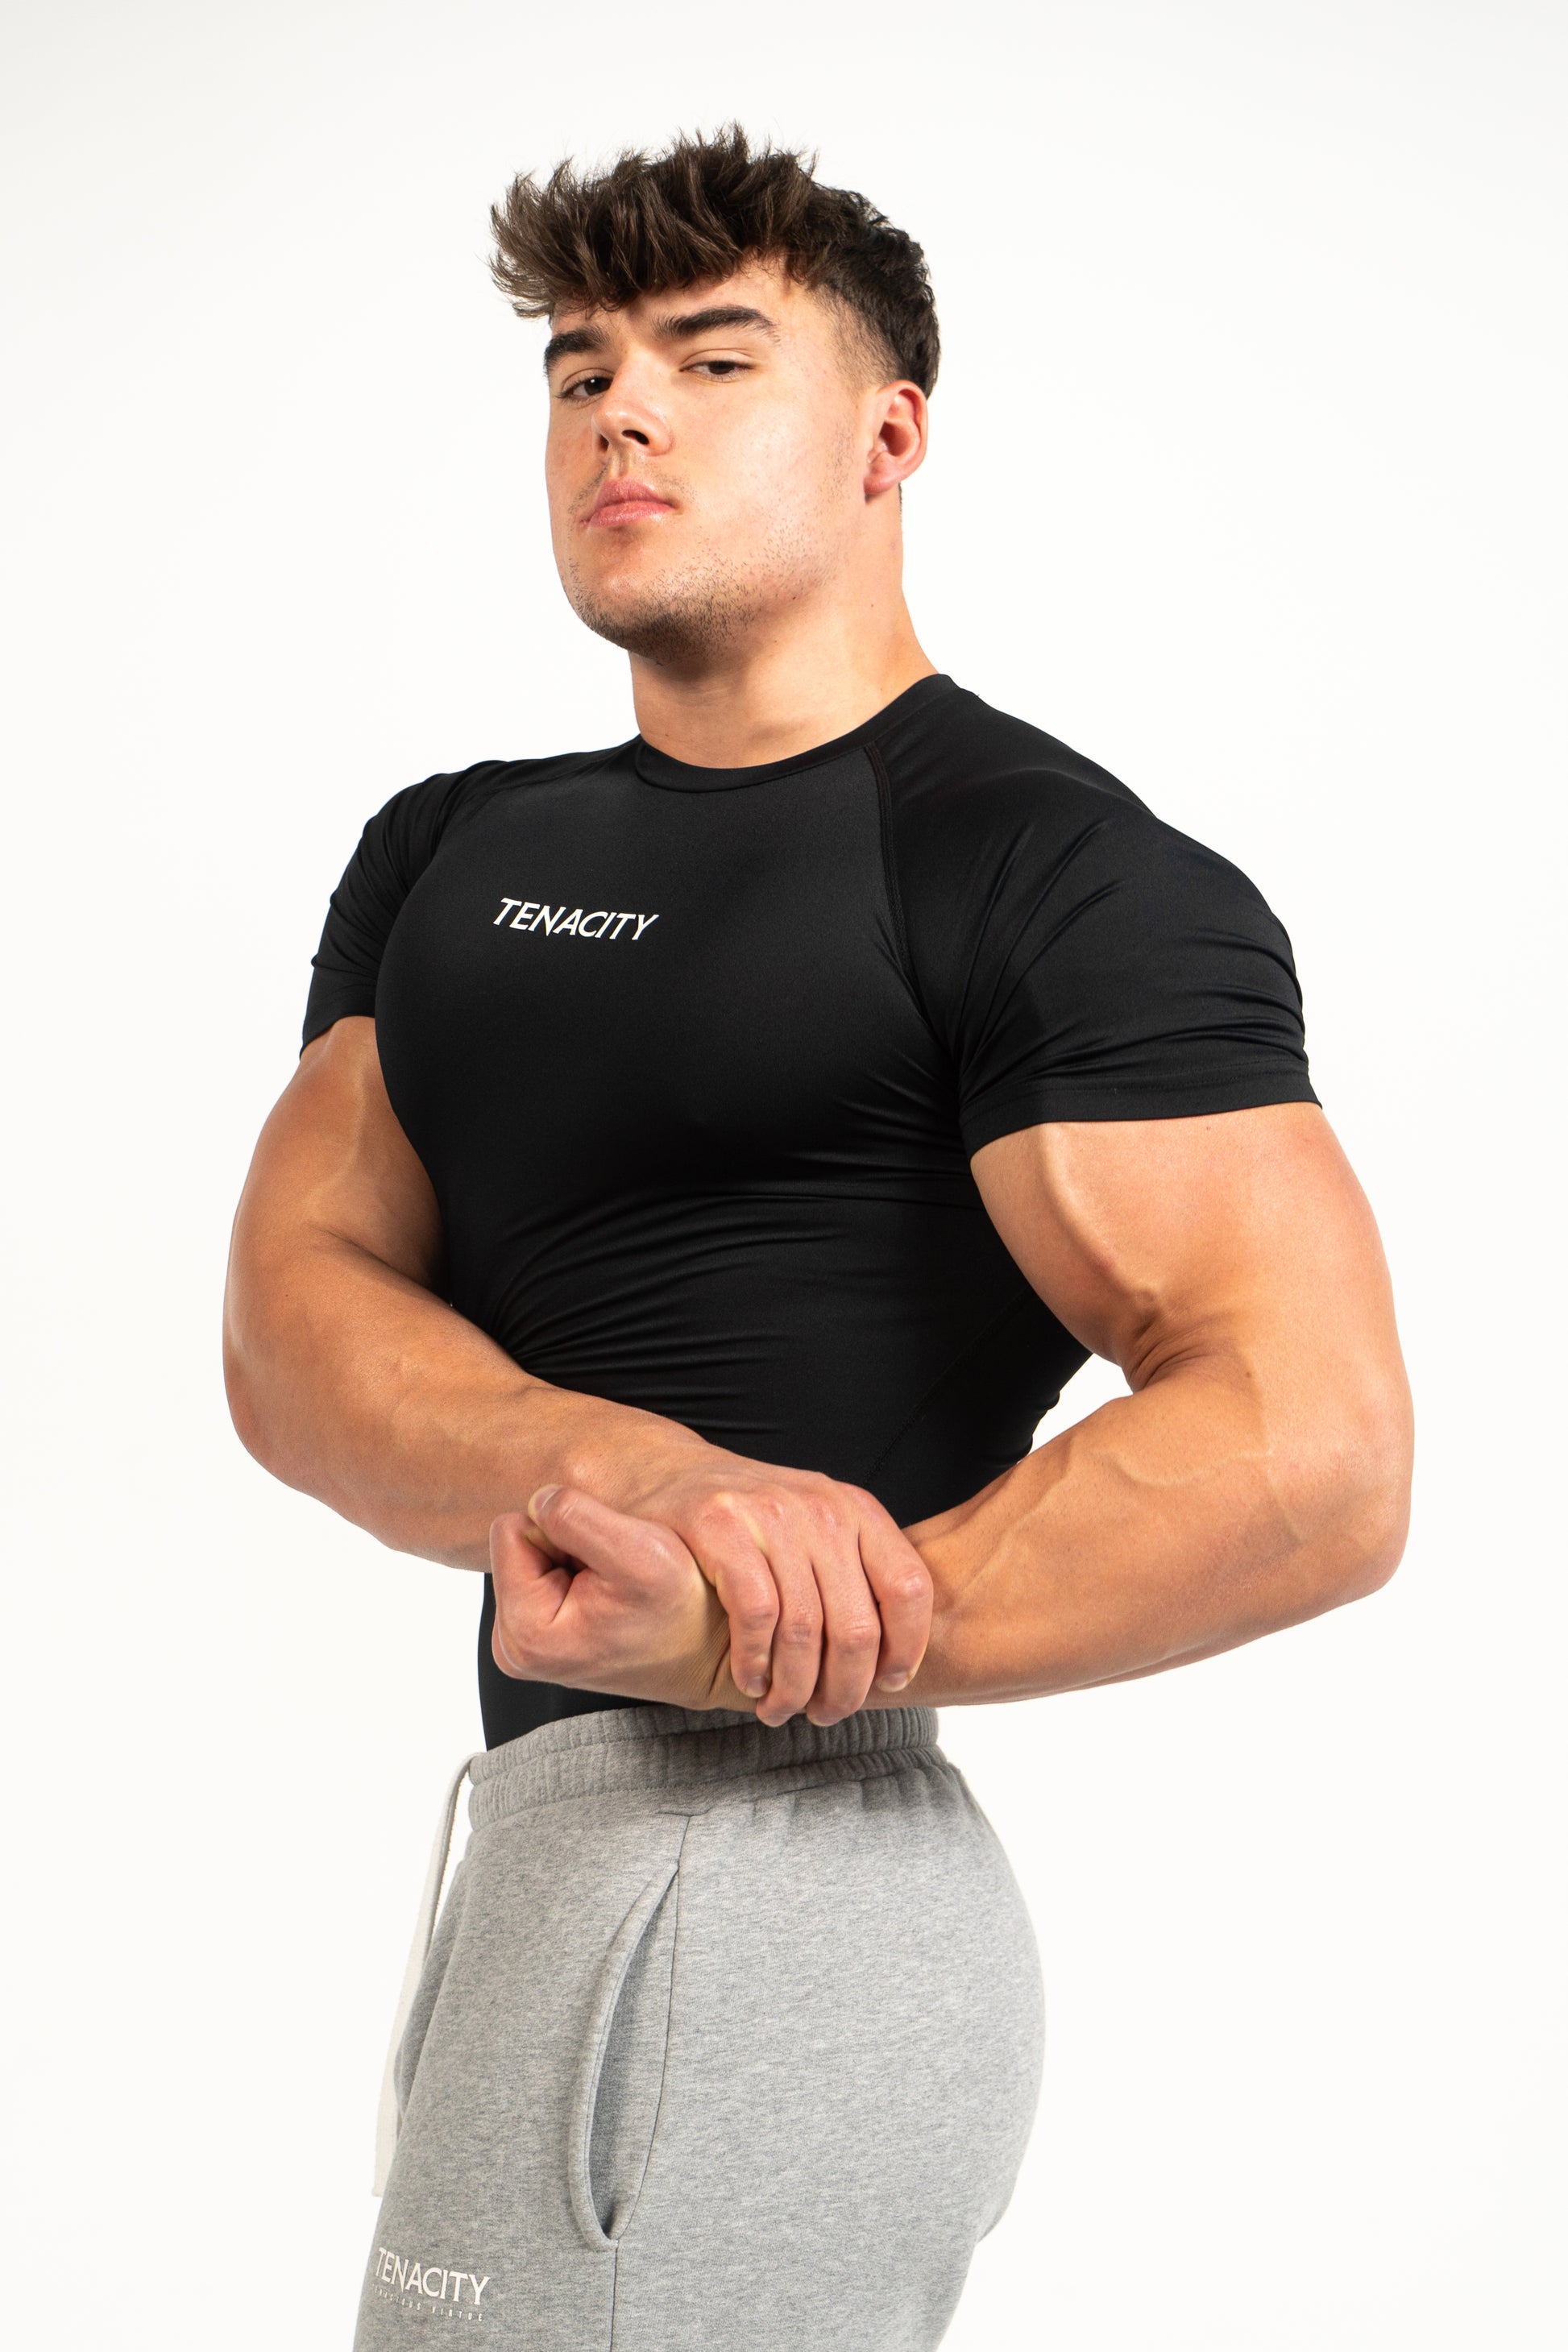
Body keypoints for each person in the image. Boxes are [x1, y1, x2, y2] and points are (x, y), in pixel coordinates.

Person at [224, 127, 1413, 2352]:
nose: (623, 416)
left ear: (890, 436)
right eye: (579, 371)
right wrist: (640, 1475)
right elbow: (295, 1326)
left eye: (711, 359)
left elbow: (1316, 1453)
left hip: (769, 1871)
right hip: (551, 1844)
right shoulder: (450, 851)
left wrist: (781, 1627)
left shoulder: (1047, 873)